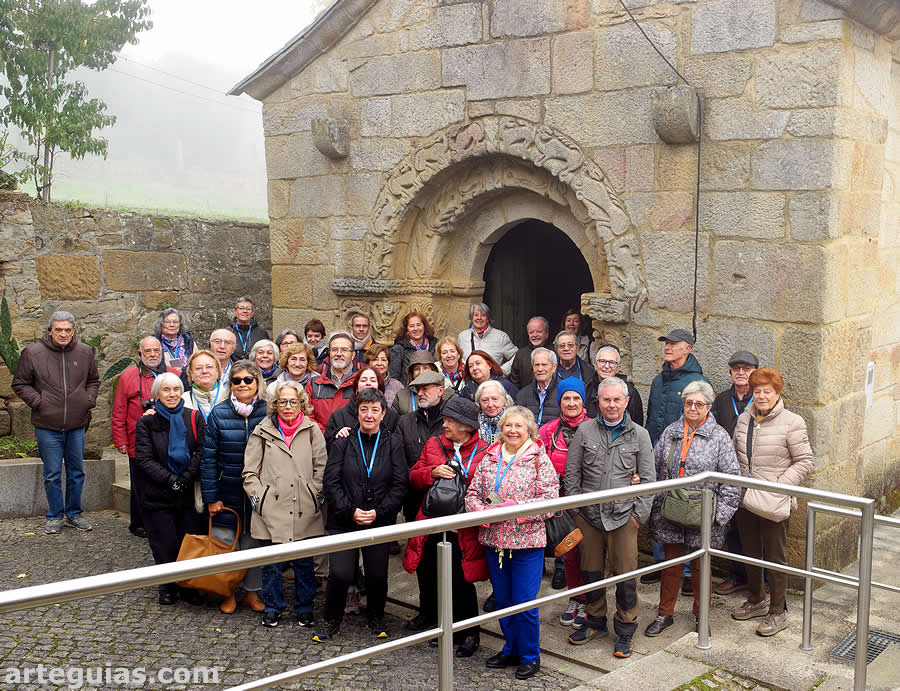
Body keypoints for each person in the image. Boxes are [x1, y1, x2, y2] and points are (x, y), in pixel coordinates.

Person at [465, 406, 559, 681]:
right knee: (504, 601)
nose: (513, 431)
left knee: (525, 603)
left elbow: (551, 500)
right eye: (508, 426)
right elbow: (473, 493)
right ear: (501, 429)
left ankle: (530, 655)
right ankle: (512, 648)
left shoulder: (540, 459)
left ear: (529, 429)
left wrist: (517, 509)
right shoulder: (490, 456)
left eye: (519, 426)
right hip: (494, 540)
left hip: (527, 542)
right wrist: (480, 512)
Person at [563, 377, 654, 657]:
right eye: (606, 400)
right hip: (588, 518)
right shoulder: (584, 431)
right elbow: (571, 473)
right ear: (598, 402)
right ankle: (595, 621)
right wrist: (576, 512)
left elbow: (649, 481)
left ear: (626, 401)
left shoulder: (640, 435)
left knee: (626, 576)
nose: (612, 405)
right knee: (590, 573)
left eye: (617, 400)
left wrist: (638, 517)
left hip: (624, 516)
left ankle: (626, 630)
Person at [644, 381, 740, 638]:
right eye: (689, 403)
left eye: (699, 404)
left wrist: (718, 517)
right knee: (671, 564)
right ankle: (665, 613)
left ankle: (702, 615)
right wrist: (655, 506)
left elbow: (732, 479)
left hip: (703, 513)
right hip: (672, 511)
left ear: (708, 407)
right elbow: (654, 469)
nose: (693, 408)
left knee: (701, 566)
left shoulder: (719, 437)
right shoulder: (671, 431)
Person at [314, 388, 408, 642]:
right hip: (345, 519)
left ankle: (376, 617)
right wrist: (350, 510)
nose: (369, 414)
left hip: (379, 520)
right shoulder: (343, 440)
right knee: (341, 574)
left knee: (377, 575)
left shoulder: (393, 443)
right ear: (357, 412)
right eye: (364, 409)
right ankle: (331, 620)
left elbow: (400, 484)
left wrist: (379, 512)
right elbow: (330, 481)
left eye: (374, 410)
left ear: (383, 413)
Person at [731, 368, 814, 637]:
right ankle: (756, 600)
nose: (762, 396)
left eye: (767, 391)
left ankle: (778, 612)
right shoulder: (745, 418)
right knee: (751, 551)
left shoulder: (792, 422)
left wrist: (779, 486)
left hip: (774, 500)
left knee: (776, 557)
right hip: (746, 498)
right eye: (757, 391)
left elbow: (805, 461)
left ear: (778, 393)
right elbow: (736, 453)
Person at [405, 397, 490, 657]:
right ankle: (445, 627)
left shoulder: (486, 450)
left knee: (460, 580)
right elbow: (414, 476)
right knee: (432, 574)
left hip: (462, 528)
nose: (444, 425)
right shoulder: (434, 444)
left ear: (466, 426)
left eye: (450, 421)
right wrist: (432, 472)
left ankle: (470, 632)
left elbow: (489, 487)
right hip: (432, 522)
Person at [243, 380, 327, 628]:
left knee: (304, 564)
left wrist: (315, 496)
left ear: (302, 404)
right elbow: (249, 472)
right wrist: (260, 499)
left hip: (304, 506)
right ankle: (273, 607)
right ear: (275, 405)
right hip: (271, 508)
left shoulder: (313, 430)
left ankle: (304, 608)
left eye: (293, 401)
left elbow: (322, 469)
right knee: (272, 564)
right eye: (283, 401)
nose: (288, 406)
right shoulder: (261, 431)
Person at [13, 311, 100, 535]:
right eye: (58, 330)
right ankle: (55, 515)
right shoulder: (33, 353)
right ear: (50, 330)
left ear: (74, 331)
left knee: (76, 471)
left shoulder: (85, 352)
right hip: (47, 425)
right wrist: (38, 401)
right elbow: (20, 383)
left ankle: (74, 514)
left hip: (76, 424)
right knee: (52, 473)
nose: (63, 334)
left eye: (68, 330)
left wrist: (88, 400)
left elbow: (93, 380)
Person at [200, 359, 268, 614]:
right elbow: (208, 458)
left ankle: (252, 593)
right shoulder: (219, 412)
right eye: (236, 381)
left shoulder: (266, 411)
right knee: (225, 543)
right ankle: (227, 592)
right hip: (225, 488)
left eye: (247, 380)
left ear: (257, 382)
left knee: (254, 543)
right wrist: (211, 496)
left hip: (257, 491)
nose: (242, 385)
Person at [642, 328, 708, 588]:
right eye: (666, 343)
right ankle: (663, 565)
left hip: (686, 456)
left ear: (687, 348)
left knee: (687, 511)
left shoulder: (697, 383)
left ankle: (690, 573)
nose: (667, 347)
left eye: (673, 343)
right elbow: (650, 417)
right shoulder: (659, 380)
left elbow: (701, 421)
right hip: (659, 455)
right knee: (659, 510)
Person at [133, 372, 205, 606]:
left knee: (188, 543)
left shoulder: (193, 417)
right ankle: (167, 585)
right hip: (157, 494)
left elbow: (201, 451)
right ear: (157, 394)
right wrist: (170, 480)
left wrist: (184, 478)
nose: (172, 394)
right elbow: (144, 459)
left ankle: (188, 585)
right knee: (164, 543)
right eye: (166, 390)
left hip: (187, 492)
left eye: (176, 389)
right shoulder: (146, 422)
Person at [396, 369, 450, 631]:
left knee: (448, 561)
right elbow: (399, 463)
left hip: (447, 504)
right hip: (415, 501)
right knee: (422, 560)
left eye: (427, 388)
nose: (420, 393)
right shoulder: (405, 423)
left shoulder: (451, 422)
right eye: (417, 389)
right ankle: (426, 610)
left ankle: (449, 615)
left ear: (441, 389)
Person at [111, 336, 178, 537]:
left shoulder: (174, 373)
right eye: (147, 351)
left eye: (156, 350)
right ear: (140, 354)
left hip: (170, 439)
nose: (152, 354)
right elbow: (119, 409)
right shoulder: (128, 376)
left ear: (161, 352)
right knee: (140, 484)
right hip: (137, 440)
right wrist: (120, 440)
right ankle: (139, 524)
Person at [538, 376, 590, 615]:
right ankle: (576, 598)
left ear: (583, 401)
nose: (571, 403)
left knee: (590, 555)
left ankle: (592, 601)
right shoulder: (548, 431)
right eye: (566, 398)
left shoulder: (593, 427)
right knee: (569, 553)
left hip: (588, 500)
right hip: (560, 502)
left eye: (576, 398)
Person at [712, 350, 759, 596]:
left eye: (746, 369)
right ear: (730, 372)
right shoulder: (721, 400)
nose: (741, 373)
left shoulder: (762, 399)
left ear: (755, 372)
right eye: (736, 369)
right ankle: (738, 575)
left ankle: (763, 584)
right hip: (728, 475)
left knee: (756, 530)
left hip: (754, 475)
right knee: (732, 529)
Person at [324, 367, 399, 451]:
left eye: (373, 380)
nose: (368, 383)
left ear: (380, 387)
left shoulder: (392, 417)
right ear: (356, 388)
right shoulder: (338, 417)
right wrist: (337, 436)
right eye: (363, 380)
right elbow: (327, 448)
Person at [306, 332, 357, 432]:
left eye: (344, 350)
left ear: (353, 355)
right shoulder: (314, 384)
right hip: (321, 442)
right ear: (329, 353)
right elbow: (307, 416)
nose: (338, 353)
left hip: (354, 443)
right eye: (334, 350)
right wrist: (328, 434)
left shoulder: (362, 383)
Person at [586, 344, 644, 426]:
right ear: (595, 365)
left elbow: (636, 424)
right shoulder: (587, 388)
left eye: (612, 363)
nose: (606, 366)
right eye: (602, 361)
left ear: (618, 368)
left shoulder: (629, 392)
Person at [391, 350, 457, 416]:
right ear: (412, 373)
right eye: (417, 369)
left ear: (433, 371)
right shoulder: (401, 396)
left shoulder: (448, 395)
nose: (421, 372)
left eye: (425, 368)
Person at [457, 303, 518, 372]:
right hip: (469, 381)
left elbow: (516, 357)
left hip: (492, 380)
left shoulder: (501, 337)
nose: (479, 318)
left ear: (488, 318)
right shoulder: (462, 337)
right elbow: (457, 358)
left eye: (483, 315)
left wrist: (503, 371)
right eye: (476, 315)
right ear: (472, 318)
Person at [515, 347, 560, 427]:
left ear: (554, 367)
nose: (540, 369)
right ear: (532, 368)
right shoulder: (523, 394)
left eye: (544, 365)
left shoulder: (562, 393)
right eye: (536, 365)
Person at [389, 310, 436, 386]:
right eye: (411, 326)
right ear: (406, 330)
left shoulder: (435, 345)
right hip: (408, 393)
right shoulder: (399, 349)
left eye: (418, 325)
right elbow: (394, 378)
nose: (416, 328)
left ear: (424, 326)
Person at [181, 350, 228, 419]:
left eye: (209, 367)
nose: (204, 371)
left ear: (217, 371)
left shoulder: (229, 397)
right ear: (191, 374)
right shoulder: (183, 401)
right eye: (198, 368)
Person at [508, 316, 550, 390]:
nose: (535, 335)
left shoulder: (555, 353)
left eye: (539, 331)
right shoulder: (521, 354)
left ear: (547, 334)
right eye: (531, 332)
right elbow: (514, 382)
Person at [153, 308, 196, 373]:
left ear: (180, 325)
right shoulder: (154, 342)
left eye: (175, 322)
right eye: (167, 322)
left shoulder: (188, 341)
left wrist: (184, 370)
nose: (172, 325)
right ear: (161, 324)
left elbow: (197, 363)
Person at [227, 296, 269, 361]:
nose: (245, 311)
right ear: (235, 311)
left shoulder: (262, 333)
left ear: (252, 313)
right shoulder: (227, 332)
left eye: (248, 309)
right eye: (241, 308)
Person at [475, 379, 515, 445]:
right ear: (479, 403)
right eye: (485, 400)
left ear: (504, 400)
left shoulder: (514, 420)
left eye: (495, 399)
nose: (490, 404)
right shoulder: (474, 423)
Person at [364, 343, 403, 407]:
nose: (379, 363)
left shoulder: (397, 386)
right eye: (375, 359)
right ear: (368, 363)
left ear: (388, 363)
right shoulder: (362, 383)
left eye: (383, 360)